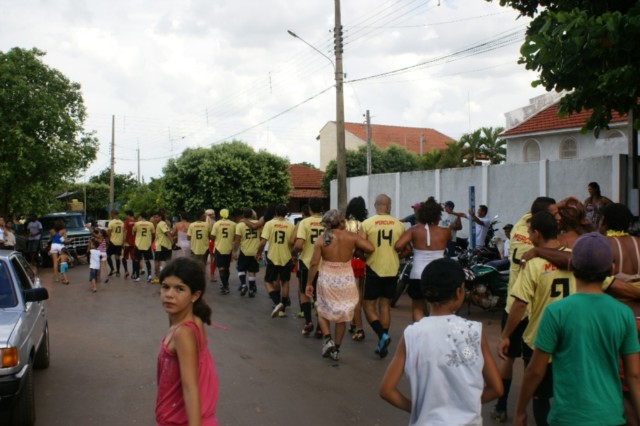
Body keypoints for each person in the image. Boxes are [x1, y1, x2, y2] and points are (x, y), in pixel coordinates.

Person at [514, 232, 640, 426]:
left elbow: (535, 372)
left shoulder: (555, 312)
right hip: (611, 416)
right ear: (612, 268)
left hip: (567, 418)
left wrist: (520, 410)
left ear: (571, 265)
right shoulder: (623, 314)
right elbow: (633, 375)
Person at [379, 258, 503, 425]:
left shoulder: (411, 335)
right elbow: (497, 388)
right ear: (459, 292)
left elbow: (386, 390)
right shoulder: (474, 332)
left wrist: (417, 408)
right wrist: (465, 403)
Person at [498, 211, 575, 426]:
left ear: (538, 234)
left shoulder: (533, 263)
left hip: (540, 340)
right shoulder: (575, 258)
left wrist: (506, 335)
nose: (528, 236)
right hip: (571, 341)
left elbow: (520, 304)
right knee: (566, 394)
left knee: (540, 397)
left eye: (530, 232)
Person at [490, 196, 556, 423]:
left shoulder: (520, 226)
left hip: (515, 306)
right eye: (554, 214)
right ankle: (528, 406)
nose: (557, 217)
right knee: (535, 366)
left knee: (509, 359)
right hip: (533, 310)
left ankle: (501, 406)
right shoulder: (547, 242)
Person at [156, 257, 218, 426]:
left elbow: (190, 388)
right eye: (165, 287)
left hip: (180, 421)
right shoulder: (195, 320)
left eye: (179, 289)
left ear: (195, 295)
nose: (169, 294)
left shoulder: (183, 333)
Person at [305, 209, 374, 361]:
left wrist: (309, 283)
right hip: (345, 279)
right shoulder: (351, 237)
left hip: (327, 278)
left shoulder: (322, 239)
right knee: (342, 316)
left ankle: (327, 339)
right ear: (341, 222)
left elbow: (314, 263)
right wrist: (355, 250)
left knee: (322, 310)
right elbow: (370, 248)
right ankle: (336, 349)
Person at [362, 194, 405, 358]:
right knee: (385, 306)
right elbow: (405, 249)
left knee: (368, 306)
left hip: (374, 268)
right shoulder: (399, 225)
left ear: (375, 205)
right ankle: (382, 344)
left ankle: (382, 335)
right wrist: (395, 257)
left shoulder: (367, 224)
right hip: (392, 269)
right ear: (389, 205)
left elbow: (361, 248)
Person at [395, 197, 450, 322]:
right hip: (438, 275)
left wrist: (410, 245)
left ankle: (419, 334)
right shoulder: (446, 232)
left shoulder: (414, 230)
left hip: (418, 275)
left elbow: (398, 246)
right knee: (438, 307)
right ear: (437, 215)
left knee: (417, 308)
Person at [292, 198, 325, 336]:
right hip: (324, 264)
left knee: (304, 293)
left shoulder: (304, 223)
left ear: (310, 209)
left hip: (307, 262)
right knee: (320, 297)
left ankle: (308, 322)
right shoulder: (326, 223)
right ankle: (320, 327)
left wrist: (293, 253)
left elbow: (299, 244)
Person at [256, 204, 294, 318]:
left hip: (273, 257)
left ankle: (277, 303)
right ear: (286, 213)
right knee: (285, 282)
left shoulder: (269, 224)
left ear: (275, 213)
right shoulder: (291, 225)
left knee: (268, 281)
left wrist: (258, 253)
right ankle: (283, 310)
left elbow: (263, 242)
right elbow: (293, 242)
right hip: (287, 257)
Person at [344, 196, 368, 341]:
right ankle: (354, 323)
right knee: (359, 295)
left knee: (354, 297)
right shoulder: (363, 224)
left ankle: (359, 327)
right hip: (361, 261)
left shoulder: (344, 224)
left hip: (348, 262)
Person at [232, 208, 261, 298]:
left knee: (241, 269)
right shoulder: (259, 223)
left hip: (244, 251)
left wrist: (234, 251)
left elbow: (237, 239)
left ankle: (244, 285)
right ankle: (251, 289)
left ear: (243, 215)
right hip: (255, 251)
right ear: (252, 215)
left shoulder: (240, 225)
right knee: (252, 271)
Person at [210, 209, 236, 294]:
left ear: (220, 215)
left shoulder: (216, 224)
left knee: (221, 268)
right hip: (229, 248)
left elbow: (212, 237)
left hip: (219, 248)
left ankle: (225, 286)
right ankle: (226, 284)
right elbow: (236, 236)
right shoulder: (233, 224)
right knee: (227, 267)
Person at [133, 211, 155, 283]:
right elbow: (153, 234)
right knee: (147, 260)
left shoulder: (137, 224)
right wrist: (151, 242)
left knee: (137, 260)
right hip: (147, 244)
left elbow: (134, 232)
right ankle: (149, 276)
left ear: (141, 217)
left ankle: (137, 276)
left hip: (138, 244)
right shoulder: (150, 224)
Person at [153, 211, 173, 284]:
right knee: (165, 261)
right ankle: (167, 277)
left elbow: (167, 233)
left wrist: (172, 243)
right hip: (163, 245)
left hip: (162, 245)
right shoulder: (161, 223)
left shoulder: (161, 223)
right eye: (154, 217)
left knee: (157, 261)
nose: (155, 219)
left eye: (156, 217)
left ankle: (158, 277)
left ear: (160, 217)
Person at [106, 210, 124, 277]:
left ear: (112, 214)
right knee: (117, 257)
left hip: (112, 241)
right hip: (119, 241)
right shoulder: (121, 222)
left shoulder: (111, 222)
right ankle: (118, 272)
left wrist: (108, 240)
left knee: (108, 255)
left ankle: (112, 269)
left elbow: (109, 232)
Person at [50, 219, 67, 283]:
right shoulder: (63, 231)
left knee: (55, 263)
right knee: (62, 262)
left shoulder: (52, 231)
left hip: (53, 245)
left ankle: (56, 278)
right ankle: (63, 277)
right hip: (60, 245)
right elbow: (64, 240)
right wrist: (69, 241)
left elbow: (51, 239)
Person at [122, 210, 137, 279]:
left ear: (128, 215)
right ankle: (133, 273)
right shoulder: (136, 222)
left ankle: (126, 271)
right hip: (134, 243)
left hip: (127, 243)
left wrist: (123, 241)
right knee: (134, 258)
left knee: (124, 257)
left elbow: (125, 231)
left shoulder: (126, 222)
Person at [205, 209, 217, 283]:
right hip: (213, 241)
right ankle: (212, 276)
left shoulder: (205, 223)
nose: (214, 215)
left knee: (207, 260)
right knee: (213, 260)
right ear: (210, 215)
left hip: (206, 242)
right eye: (213, 213)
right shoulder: (214, 223)